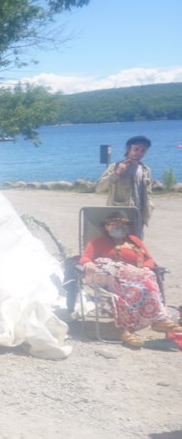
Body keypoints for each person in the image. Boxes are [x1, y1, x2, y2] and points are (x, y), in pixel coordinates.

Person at [79, 210, 182, 347]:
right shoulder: (98, 241)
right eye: (113, 224)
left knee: (146, 280)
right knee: (135, 283)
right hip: (107, 274)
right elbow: (85, 257)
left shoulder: (134, 240)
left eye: (122, 225)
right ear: (106, 227)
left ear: (127, 227)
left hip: (133, 277)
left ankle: (148, 324)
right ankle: (143, 325)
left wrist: (143, 268)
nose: (118, 227)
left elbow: (149, 260)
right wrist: (88, 263)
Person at [96, 135, 153, 237]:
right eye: (136, 149)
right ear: (128, 149)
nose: (139, 153)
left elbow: (148, 194)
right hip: (119, 216)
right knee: (117, 244)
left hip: (139, 215)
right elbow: (99, 188)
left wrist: (150, 208)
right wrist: (117, 173)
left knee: (135, 245)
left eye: (143, 150)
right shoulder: (115, 167)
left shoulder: (146, 170)